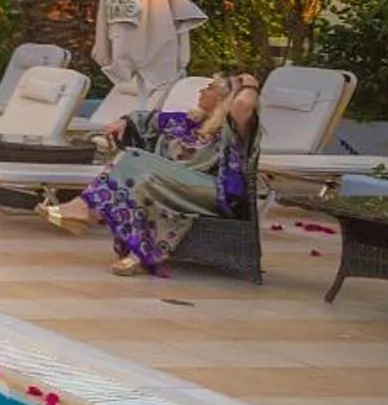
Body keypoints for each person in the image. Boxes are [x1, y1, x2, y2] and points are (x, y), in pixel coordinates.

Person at [48, 71, 261, 276]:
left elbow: (244, 104)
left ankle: (84, 208)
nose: (202, 91)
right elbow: (147, 120)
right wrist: (124, 121)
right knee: (139, 180)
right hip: (174, 186)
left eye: (210, 87)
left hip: (214, 191)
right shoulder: (188, 122)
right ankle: (139, 254)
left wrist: (250, 84)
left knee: (133, 158)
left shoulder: (233, 129)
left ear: (223, 98)